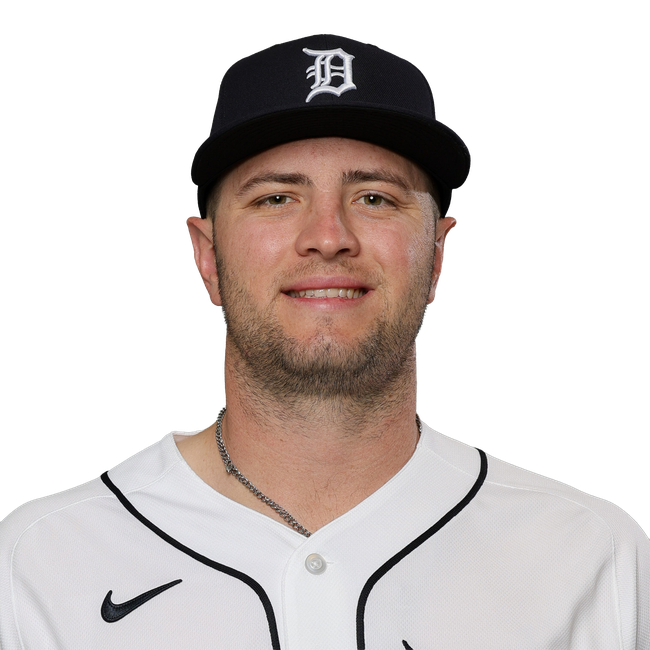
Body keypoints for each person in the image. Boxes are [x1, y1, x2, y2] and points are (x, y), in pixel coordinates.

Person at [1, 33, 648, 650]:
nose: (329, 236)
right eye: (276, 198)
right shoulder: (38, 563)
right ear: (206, 256)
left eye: (375, 197)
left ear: (437, 255)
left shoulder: (593, 557)